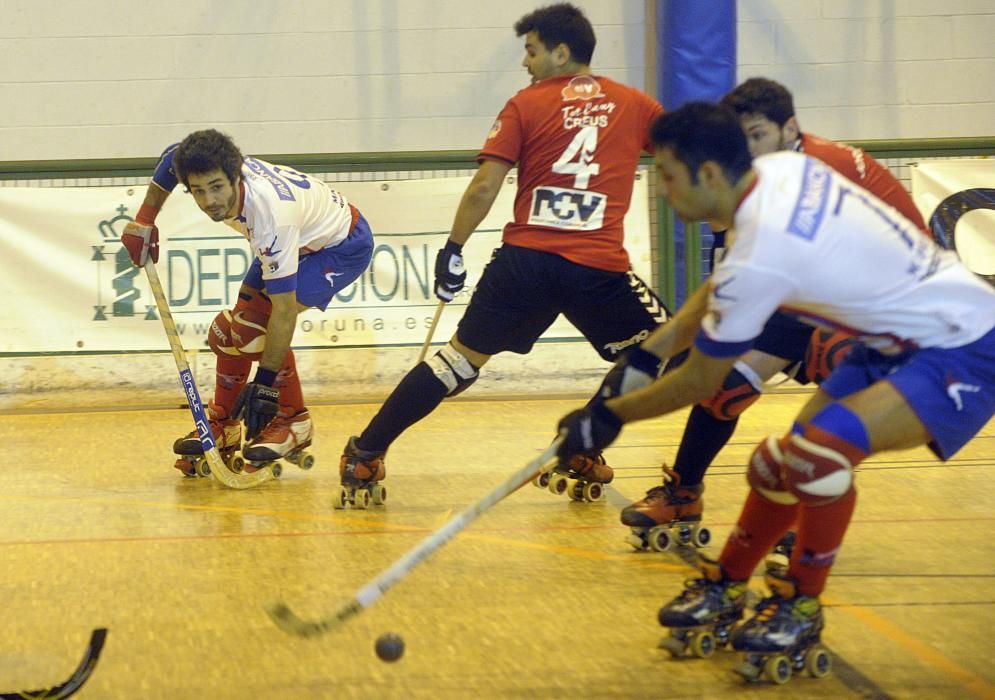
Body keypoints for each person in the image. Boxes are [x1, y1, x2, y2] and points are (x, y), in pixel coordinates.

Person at [557, 102, 995, 676]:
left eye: (666, 174)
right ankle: (728, 584)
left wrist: (606, 418)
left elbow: (700, 380)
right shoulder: (780, 174)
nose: (661, 191)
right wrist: (651, 350)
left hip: (964, 343)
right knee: (775, 465)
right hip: (891, 342)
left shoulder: (764, 251)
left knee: (818, 453)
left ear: (709, 174)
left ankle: (802, 603)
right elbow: (721, 282)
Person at [335, 3, 668, 508]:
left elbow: (485, 185)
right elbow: (683, 154)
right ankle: (584, 446)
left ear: (561, 52)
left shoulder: (525, 104)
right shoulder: (636, 104)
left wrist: (453, 249)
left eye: (531, 51)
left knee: (457, 364)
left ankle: (366, 450)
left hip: (525, 263)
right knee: (658, 352)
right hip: (596, 268)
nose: (525, 63)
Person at [619, 77, 933, 557]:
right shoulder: (757, 176)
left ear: (790, 129)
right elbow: (733, 268)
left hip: (878, 299)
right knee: (726, 387)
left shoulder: (817, 168)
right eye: (739, 137)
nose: (748, 148)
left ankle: (811, 512)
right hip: (810, 290)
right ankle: (683, 493)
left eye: (758, 134)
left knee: (840, 373)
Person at [121, 130, 374, 476]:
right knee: (230, 333)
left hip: (340, 246)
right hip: (299, 237)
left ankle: (294, 421)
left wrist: (265, 386)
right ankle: (223, 426)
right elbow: (170, 158)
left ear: (236, 176)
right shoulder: (199, 169)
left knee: (254, 325)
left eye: (217, 187)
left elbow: (284, 312)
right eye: (198, 191)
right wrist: (144, 220)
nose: (209, 201)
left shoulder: (269, 217)